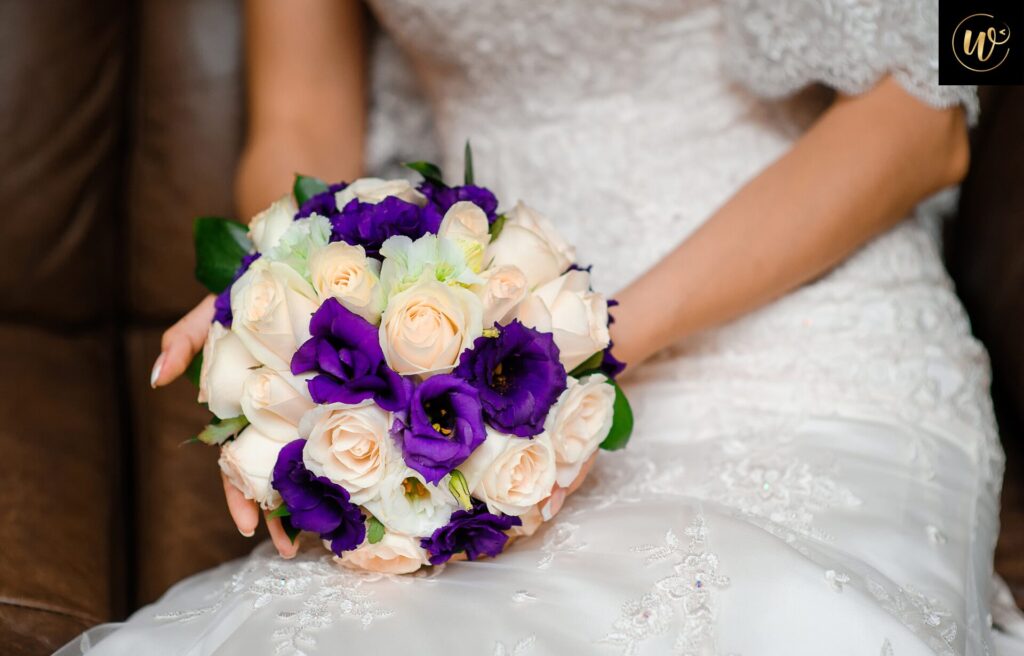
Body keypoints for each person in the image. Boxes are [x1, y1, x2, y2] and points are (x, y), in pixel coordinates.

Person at [68, 0, 1024, 653]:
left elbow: (920, 123)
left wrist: (566, 352)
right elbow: (301, 114)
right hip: (473, 348)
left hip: (805, 332)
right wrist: (291, 287)